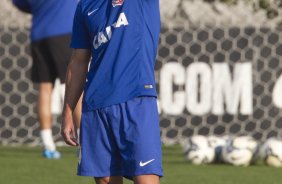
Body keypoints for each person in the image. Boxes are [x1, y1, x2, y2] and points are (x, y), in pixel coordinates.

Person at [61, 0, 163, 183]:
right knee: (106, 180)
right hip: (96, 108)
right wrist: (68, 111)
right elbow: (78, 60)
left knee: (146, 179)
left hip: (136, 101)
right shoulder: (86, 5)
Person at [12, 0, 82, 159]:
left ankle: (48, 145)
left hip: (39, 36)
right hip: (64, 33)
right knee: (75, 85)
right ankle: (83, 143)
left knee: (45, 88)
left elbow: (19, 4)